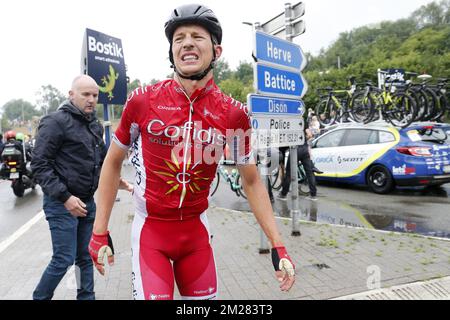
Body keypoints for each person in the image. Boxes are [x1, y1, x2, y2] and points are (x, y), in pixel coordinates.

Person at [89, 3, 295, 300]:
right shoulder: (143, 102)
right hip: (151, 233)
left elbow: (250, 181)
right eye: (179, 38)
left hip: (196, 236)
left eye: (197, 36)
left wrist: (278, 245)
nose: (186, 42)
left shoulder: (233, 114)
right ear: (171, 51)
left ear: (217, 51)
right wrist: (99, 230)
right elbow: (112, 164)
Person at [31, 75, 132, 300]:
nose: (91, 100)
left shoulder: (93, 125)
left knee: (86, 256)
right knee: (63, 258)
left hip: (87, 202)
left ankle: (86, 297)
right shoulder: (55, 121)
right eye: (85, 94)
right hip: (61, 204)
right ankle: (40, 297)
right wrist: (66, 197)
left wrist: (118, 182)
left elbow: (103, 161)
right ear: (71, 94)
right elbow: (39, 165)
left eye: (95, 95)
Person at [278, 127, 318, 201]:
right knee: (309, 173)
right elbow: (309, 134)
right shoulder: (301, 122)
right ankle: (313, 195)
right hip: (305, 149)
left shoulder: (289, 124)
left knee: (289, 173)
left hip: (295, 150)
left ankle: (283, 194)